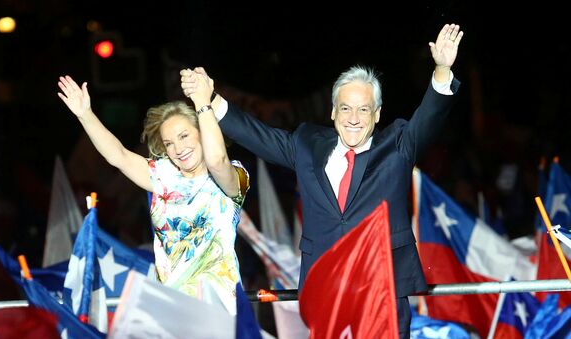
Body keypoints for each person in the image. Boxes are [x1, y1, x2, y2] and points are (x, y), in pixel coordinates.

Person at [181, 23, 464, 336]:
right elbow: (257, 135)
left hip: (383, 292)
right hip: (327, 291)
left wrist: (441, 69)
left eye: (363, 110)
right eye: (345, 108)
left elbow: (429, 117)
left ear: (378, 114)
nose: (353, 118)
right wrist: (211, 98)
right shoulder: (308, 144)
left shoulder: (397, 145)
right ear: (333, 112)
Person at [57, 74, 249, 315]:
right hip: (171, 310)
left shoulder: (233, 176)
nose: (178, 149)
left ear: (202, 131)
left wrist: (202, 102)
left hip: (220, 310)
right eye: (169, 143)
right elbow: (119, 156)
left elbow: (217, 160)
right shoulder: (163, 175)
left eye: (184, 136)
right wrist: (85, 114)